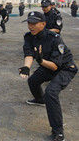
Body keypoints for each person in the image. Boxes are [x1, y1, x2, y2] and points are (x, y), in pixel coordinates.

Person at [19, 11, 77, 141]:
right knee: (33, 81)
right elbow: (29, 54)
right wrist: (26, 67)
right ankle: (40, 100)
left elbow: (55, 67)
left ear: (43, 24)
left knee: (51, 92)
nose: (30, 26)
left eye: (34, 23)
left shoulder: (54, 38)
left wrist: (40, 61)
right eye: (29, 23)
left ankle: (58, 132)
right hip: (47, 64)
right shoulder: (29, 37)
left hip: (65, 68)